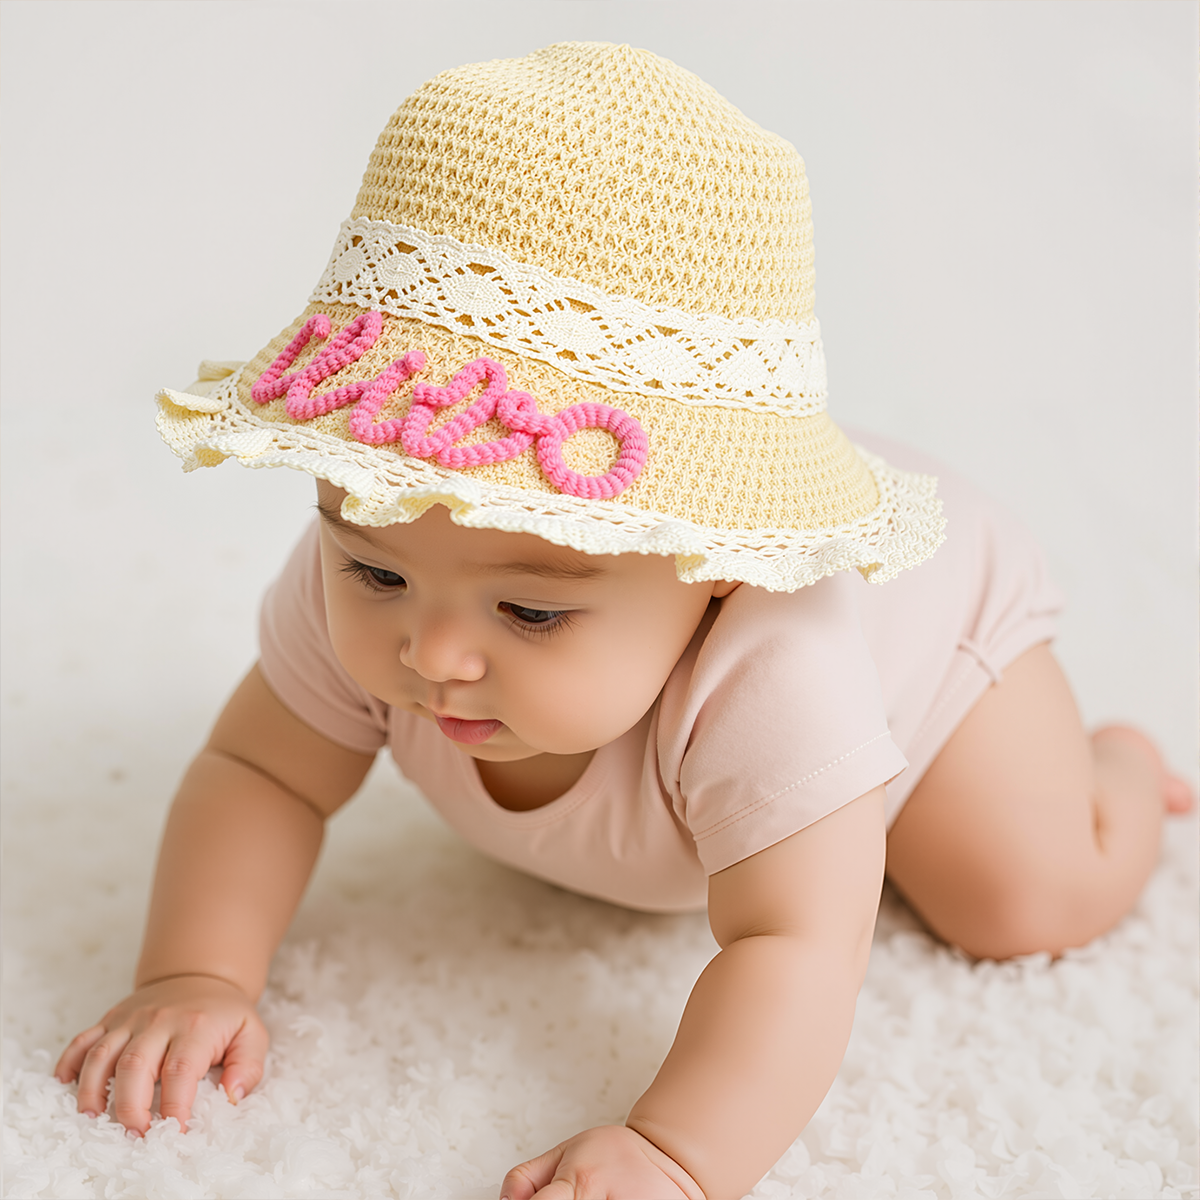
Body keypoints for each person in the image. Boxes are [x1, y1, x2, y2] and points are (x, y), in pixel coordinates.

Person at [52, 42, 1191, 1200]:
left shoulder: (778, 669)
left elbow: (793, 943)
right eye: (376, 572)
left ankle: (1119, 774)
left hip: (935, 648)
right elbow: (261, 770)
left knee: (1024, 902)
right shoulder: (385, 548)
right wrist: (192, 973)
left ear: (711, 573)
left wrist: (677, 1155)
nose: (432, 653)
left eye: (532, 609)